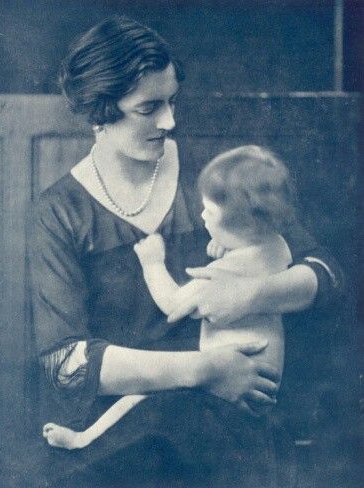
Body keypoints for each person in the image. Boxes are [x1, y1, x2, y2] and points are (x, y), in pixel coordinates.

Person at [29, 14, 344, 487]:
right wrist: (206, 369)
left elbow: (326, 272)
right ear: (100, 111)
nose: (170, 121)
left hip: (225, 424)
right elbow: (65, 365)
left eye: (172, 101)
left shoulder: (215, 177)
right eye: (148, 108)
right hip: (122, 432)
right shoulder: (59, 211)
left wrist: (250, 297)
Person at [42, 145, 295, 450]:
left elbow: (173, 305)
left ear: (242, 225)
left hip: (228, 386)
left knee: (137, 399)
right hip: (264, 386)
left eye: (210, 212)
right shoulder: (276, 247)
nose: (202, 215)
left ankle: (83, 439)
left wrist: (152, 264)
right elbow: (258, 247)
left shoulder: (224, 275)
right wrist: (229, 242)